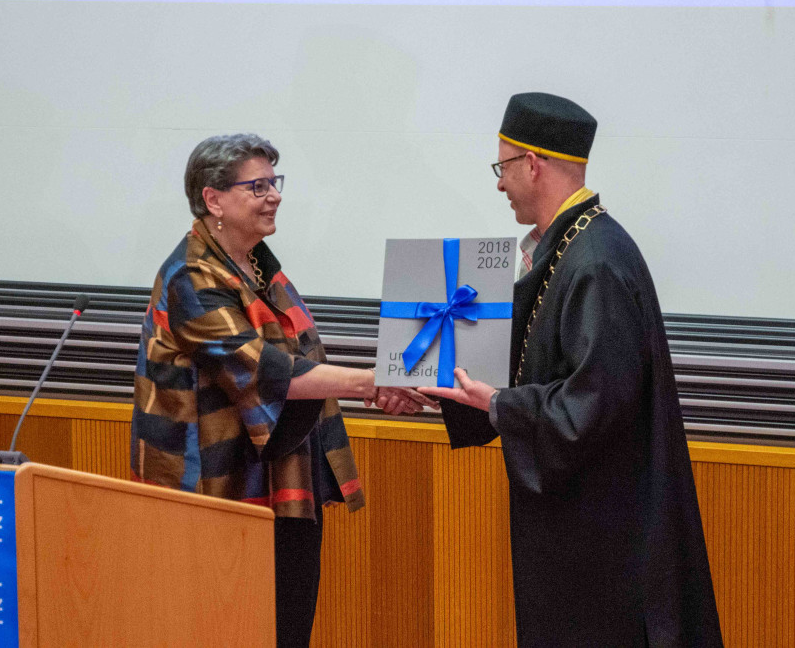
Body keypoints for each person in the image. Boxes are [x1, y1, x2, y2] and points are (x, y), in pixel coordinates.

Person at [421, 93, 723, 646]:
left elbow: (595, 404)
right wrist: (437, 385)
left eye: (503, 167)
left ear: (532, 164)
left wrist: (495, 404)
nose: (499, 184)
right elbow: (533, 362)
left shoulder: (596, 260)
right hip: (583, 527)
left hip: (602, 538)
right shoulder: (569, 246)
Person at [130, 133, 435, 647]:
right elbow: (266, 371)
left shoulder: (260, 267)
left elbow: (301, 362)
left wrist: (382, 382)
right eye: (258, 185)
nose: (274, 195)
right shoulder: (190, 276)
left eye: (276, 183)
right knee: (227, 631)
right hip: (211, 488)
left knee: (287, 630)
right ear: (213, 199)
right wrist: (373, 382)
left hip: (283, 478)